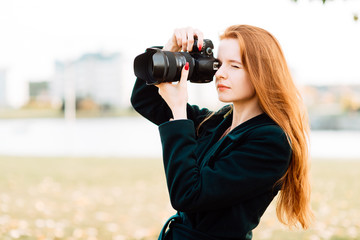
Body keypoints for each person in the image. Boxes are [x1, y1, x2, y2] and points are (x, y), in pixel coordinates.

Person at [131, 25, 313, 240]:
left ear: (262, 72)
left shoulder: (271, 141)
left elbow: (188, 195)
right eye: (218, 64)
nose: (220, 74)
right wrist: (168, 51)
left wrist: (180, 112)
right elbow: (145, 100)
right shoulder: (217, 122)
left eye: (234, 66)